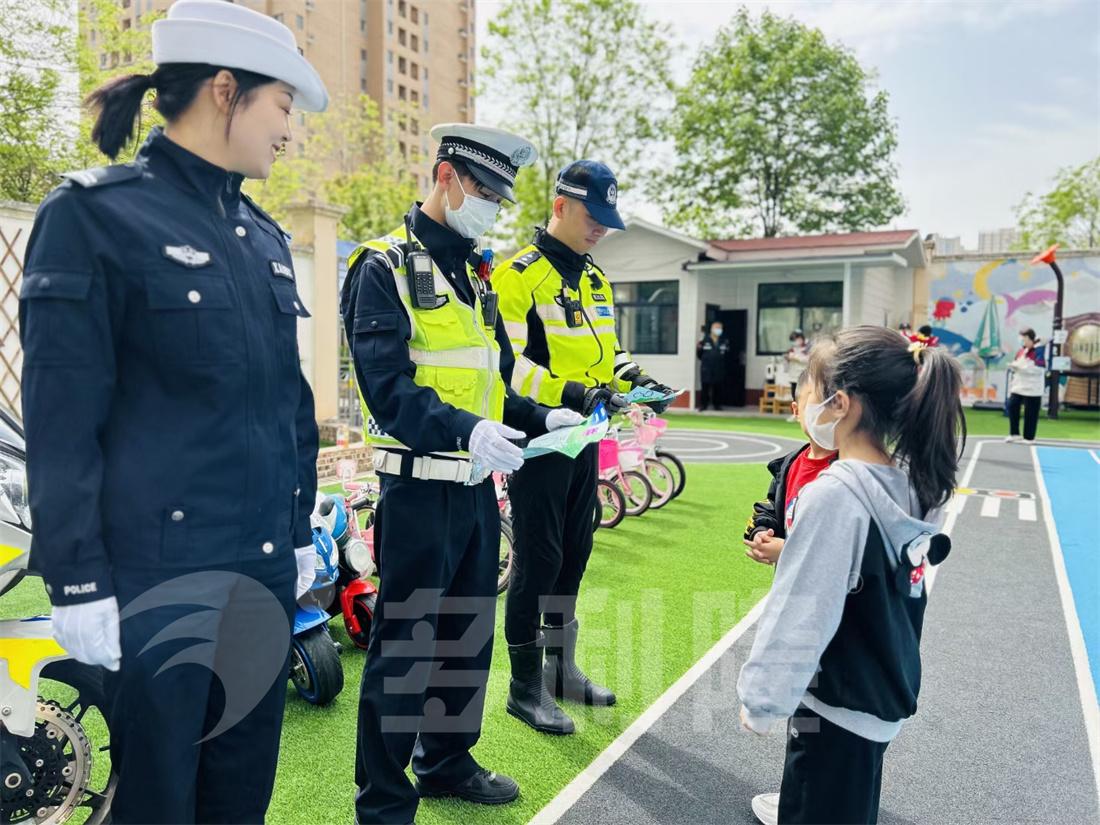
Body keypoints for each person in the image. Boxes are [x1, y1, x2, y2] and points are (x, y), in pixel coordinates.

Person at [17, 2, 327, 821]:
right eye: (282, 107)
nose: (289, 132)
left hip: (259, 573)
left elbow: (286, 402)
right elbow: (60, 421)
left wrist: (298, 533)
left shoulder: (259, 236)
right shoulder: (93, 216)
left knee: (239, 796)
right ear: (226, 92)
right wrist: (76, 577)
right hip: (160, 583)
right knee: (158, 804)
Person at [344, 124, 579, 824]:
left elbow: (494, 386)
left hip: (477, 488)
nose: (492, 208)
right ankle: (384, 803)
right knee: (407, 649)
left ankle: (447, 762)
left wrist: (543, 418)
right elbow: (386, 386)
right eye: (482, 190)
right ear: (444, 176)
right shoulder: (380, 266)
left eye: (501, 198)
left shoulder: (476, 275)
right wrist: (466, 428)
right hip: (416, 489)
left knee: (465, 639)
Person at [738, 327, 965, 825]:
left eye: (808, 390)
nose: (802, 402)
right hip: (882, 683)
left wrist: (762, 698)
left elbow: (802, 609)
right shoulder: (910, 480)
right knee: (844, 797)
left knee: (822, 793)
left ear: (840, 403)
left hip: (838, 698)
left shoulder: (835, 494)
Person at [492, 160, 676, 735]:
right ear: (560, 206)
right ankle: (524, 689)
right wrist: (570, 391)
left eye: (607, 220)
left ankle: (561, 669)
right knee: (538, 559)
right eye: (592, 217)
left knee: (575, 552)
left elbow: (606, 355)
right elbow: (507, 367)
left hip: (587, 438)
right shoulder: (517, 275)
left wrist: (636, 379)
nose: (600, 228)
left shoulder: (594, 279)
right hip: (541, 440)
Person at [743, 374, 837, 567]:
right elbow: (771, 507)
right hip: (791, 582)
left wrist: (788, 550)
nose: (825, 415)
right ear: (797, 411)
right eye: (817, 406)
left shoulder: (848, 469)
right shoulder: (789, 465)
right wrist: (762, 533)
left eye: (832, 404)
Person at [1005, 327, 1046, 444]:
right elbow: (1018, 362)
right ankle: (1014, 433)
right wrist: (1014, 366)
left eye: (1022, 339)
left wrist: (1022, 369)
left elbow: (1039, 369)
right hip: (1018, 385)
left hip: (1032, 388)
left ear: (1028, 338)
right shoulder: (1021, 351)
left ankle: (1029, 437)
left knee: (1030, 412)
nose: (1021, 341)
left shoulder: (1039, 351)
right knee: (1012, 406)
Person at [697, 321, 731, 411]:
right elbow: (699, 354)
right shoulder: (704, 340)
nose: (718, 330)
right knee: (705, 387)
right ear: (712, 329)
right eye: (717, 328)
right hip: (707, 368)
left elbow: (727, 354)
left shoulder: (724, 341)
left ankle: (717, 405)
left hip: (719, 368)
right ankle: (703, 405)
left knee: (718, 387)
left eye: (720, 328)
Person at [783, 329, 809, 422]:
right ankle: (795, 414)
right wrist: (788, 359)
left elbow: (809, 360)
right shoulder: (792, 349)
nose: (795, 342)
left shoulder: (808, 347)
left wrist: (796, 358)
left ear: (801, 338)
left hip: (803, 376)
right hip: (793, 376)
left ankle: (805, 414)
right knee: (794, 396)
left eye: (796, 339)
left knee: (804, 395)